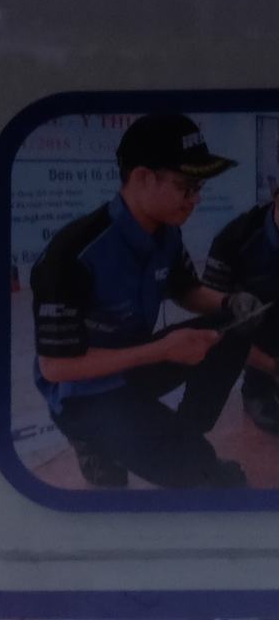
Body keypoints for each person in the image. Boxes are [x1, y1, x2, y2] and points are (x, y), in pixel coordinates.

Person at [30, 111, 257, 489]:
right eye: (186, 187)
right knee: (209, 477)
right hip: (83, 392)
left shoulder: (166, 234)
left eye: (199, 189)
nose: (195, 200)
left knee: (234, 330)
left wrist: (230, 303)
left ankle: (175, 434)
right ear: (141, 178)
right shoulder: (74, 253)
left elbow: (185, 289)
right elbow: (56, 368)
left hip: (134, 364)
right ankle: (96, 440)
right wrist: (163, 350)